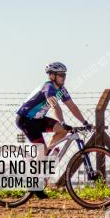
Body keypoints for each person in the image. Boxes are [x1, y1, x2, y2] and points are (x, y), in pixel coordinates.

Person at [15, 62, 90, 198]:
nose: (64, 77)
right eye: (61, 75)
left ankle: (45, 155)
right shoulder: (48, 87)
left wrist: (85, 122)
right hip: (26, 119)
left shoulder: (62, 89)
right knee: (45, 146)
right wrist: (62, 121)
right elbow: (55, 107)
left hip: (38, 119)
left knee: (62, 131)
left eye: (64, 75)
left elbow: (72, 106)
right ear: (52, 76)